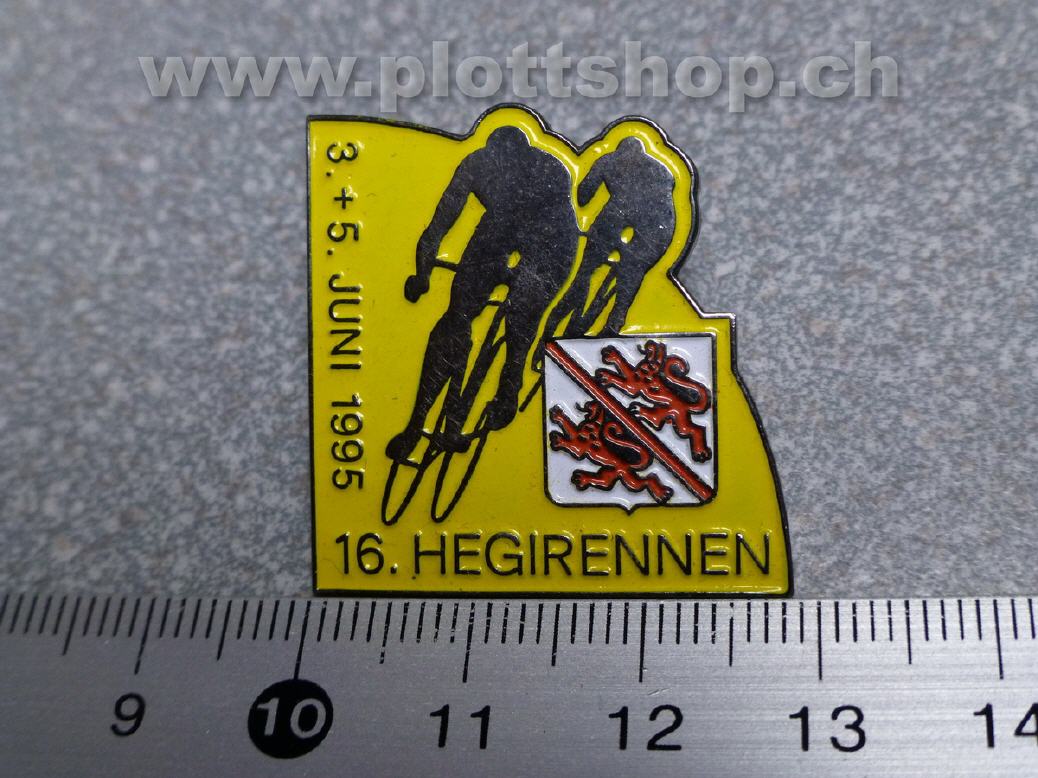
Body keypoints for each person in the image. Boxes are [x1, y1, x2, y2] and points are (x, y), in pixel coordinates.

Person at [386, 126, 580, 462]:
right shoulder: (476, 165)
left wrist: (523, 276)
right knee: (454, 318)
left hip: (550, 238)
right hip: (501, 227)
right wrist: (422, 274)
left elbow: (555, 239)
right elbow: (438, 226)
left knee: (521, 315)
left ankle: (509, 385)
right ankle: (416, 425)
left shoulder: (551, 170)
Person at [544, 137, 677, 339]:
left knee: (588, 270)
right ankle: (616, 319)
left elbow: (583, 196)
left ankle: (567, 310)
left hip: (622, 215)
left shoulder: (608, 160)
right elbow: (666, 199)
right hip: (659, 224)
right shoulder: (661, 169)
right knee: (632, 271)